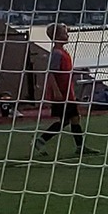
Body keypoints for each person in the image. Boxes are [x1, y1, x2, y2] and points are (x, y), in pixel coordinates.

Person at [30, 23, 95, 158]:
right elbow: (51, 73)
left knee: (72, 119)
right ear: (58, 36)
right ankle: (41, 140)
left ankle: (79, 147)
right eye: (65, 33)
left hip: (67, 91)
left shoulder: (63, 53)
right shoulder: (57, 54)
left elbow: (65, 71)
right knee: (68, 119)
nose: (68, 35)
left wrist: (79, 70)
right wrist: (56, 91)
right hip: (62, 93)